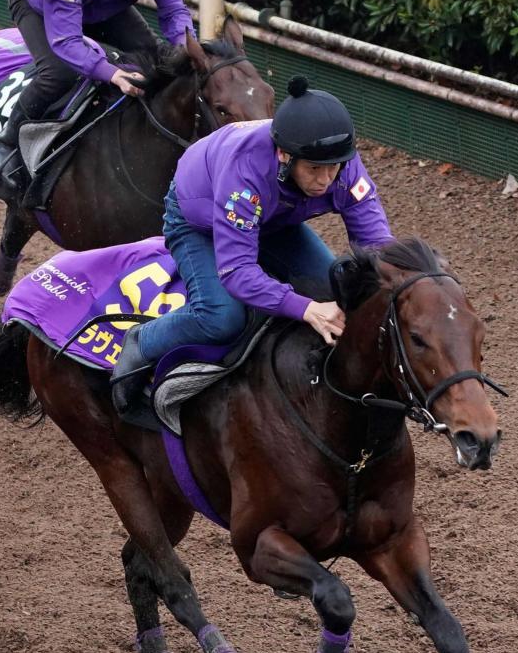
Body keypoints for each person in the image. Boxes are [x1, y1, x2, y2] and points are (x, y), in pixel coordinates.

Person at [111, 74, 394, 414]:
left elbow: (377, 247)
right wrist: (305, 308)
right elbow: (237, 272)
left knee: (329, 288)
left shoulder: (343, 165)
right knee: (222, 317)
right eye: (315, 169)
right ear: (284, 155)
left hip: (273, 221)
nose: (325, 181)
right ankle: (142, 343)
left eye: (334, 169)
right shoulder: (245, 175)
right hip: (200, 223)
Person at [0, 0, 195, 184]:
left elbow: (174, 11)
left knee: (155, 56)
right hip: (39, 3)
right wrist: (112, 73)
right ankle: (6, 140)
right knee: (59, 71)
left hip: (104, 5)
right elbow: (66, 41)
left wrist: (187, 48)